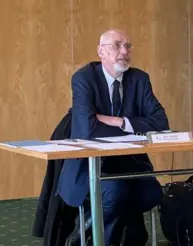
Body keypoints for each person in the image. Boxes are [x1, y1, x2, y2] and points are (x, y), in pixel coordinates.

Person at [57, 29, 170, 246]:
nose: (124, 51)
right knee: (115, 191)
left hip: (131, 165)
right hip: (91, 167)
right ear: (101, 51)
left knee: (151, 193)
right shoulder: (83, 79)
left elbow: (161, 122)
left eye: (128, 46)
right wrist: (135, 127)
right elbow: (88, 131)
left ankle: (95, 229)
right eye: (117, 45)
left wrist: (120, 122)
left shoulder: (139, 79)